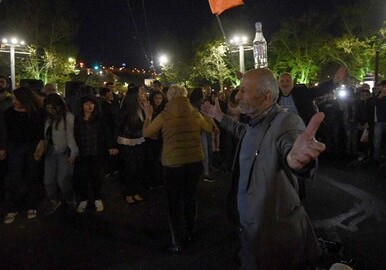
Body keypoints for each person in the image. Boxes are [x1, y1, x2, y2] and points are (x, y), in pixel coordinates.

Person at [201, 68, 326, 269]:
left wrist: (297, 160)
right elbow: (242, 131)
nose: (238, 96)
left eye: (244, 91)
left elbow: (291, 146)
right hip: (252, 234)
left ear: (266, 95)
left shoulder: (287, 121)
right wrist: (219, 115)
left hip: (275, 239)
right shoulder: (255, 122)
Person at [143, 84, 212, 254]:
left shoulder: (165, 114)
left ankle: (177, 240)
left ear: (170, 96)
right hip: (194, 161)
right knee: (190, 198)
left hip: (173, 164)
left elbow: (147, 133)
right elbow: (209, 129)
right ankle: (190, 232)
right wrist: (208, 115)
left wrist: (148, 116)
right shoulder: (194, 112)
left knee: (174, 203)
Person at [3, 87, 45, 224]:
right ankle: (13, 207)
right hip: (15, 147)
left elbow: (40, 131)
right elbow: (4, 132)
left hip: (32, 147)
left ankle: (31, 205)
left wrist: (41, 143)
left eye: (17, 99)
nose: (14, 101)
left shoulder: (36, 113)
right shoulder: (9, 113)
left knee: (32, 176)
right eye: (14, 99)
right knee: (14, 177)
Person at [73, 96, 118, 213]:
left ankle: (97, 198)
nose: (90, 106)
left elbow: (106, 133)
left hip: (96, 152)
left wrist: (110, 146)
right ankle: (84, 199)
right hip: (82, 152)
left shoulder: (99, 118)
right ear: (82, 105)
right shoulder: (77, 119)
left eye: (92, 104)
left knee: (96, 176)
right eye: (87, 104)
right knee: (82, 176)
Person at [43, 94, 79, 214]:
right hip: (50, 151)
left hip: (64, 151)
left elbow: (71, 136)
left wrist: (73, 153)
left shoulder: (67, 116)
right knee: (48, 180)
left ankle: (70, 199)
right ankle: (54, 200)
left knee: (63, 180)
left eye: (53, 108)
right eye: (48, 108)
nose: (50, 110)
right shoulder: (48, 117)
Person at [278, 66, 348, 125]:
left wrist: (333, 82)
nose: (285, 84)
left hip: (302, 130)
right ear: (278, 83)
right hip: (283, 131)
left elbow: (318, 90)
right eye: (282, 81)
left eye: (287, 81)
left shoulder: (302, 93)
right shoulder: (275, 96)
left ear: (292, 83)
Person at [116, 85, 147, 204]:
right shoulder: (128, 108)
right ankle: (128, 192)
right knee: (130, 168)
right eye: (141, 91)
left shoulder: (142, 107)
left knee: (139, 167)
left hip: (139, 140)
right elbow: (121, 126)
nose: (144, 93)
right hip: (127, 141)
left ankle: (136, 191)